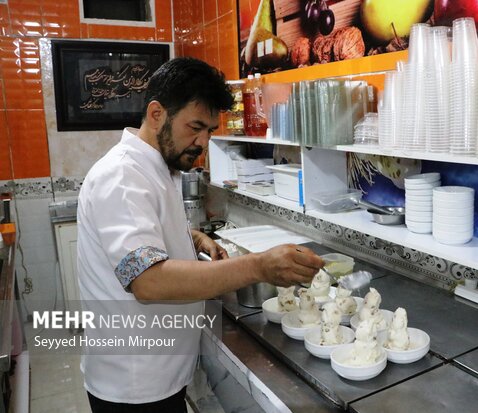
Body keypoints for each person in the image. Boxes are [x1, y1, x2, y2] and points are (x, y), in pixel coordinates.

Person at [76, 57, 324, 412]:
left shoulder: (160, 166)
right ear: (157, 113)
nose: (202, 142)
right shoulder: (122, 177)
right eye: (195, 127)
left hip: (159, 374)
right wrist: (259, 267)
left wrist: (192, 237)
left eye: (209, 130)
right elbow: (148, 281)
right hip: (134, 386)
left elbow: (145, 231)